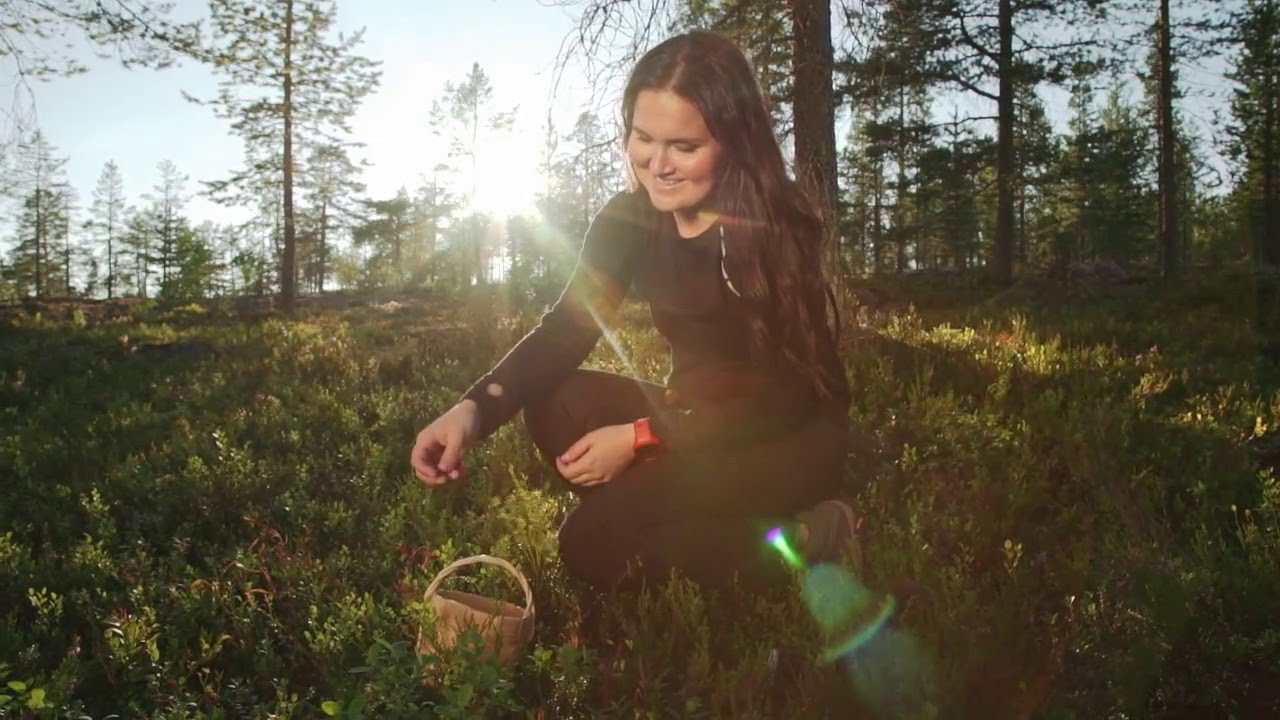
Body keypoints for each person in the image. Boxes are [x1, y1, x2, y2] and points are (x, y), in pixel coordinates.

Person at [410, 30, 858, 592]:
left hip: (786, 438)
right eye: (643, 138)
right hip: (694, 417)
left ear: (733, 143)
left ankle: (812, 533)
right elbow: (565, 331)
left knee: (590, 546)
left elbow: (781, 399)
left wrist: (644, 437)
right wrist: (473, 411)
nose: (658, 165)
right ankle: (686, 511)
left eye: (685, 147)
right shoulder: (628, 219)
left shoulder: (773, 228)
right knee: (554, 402)